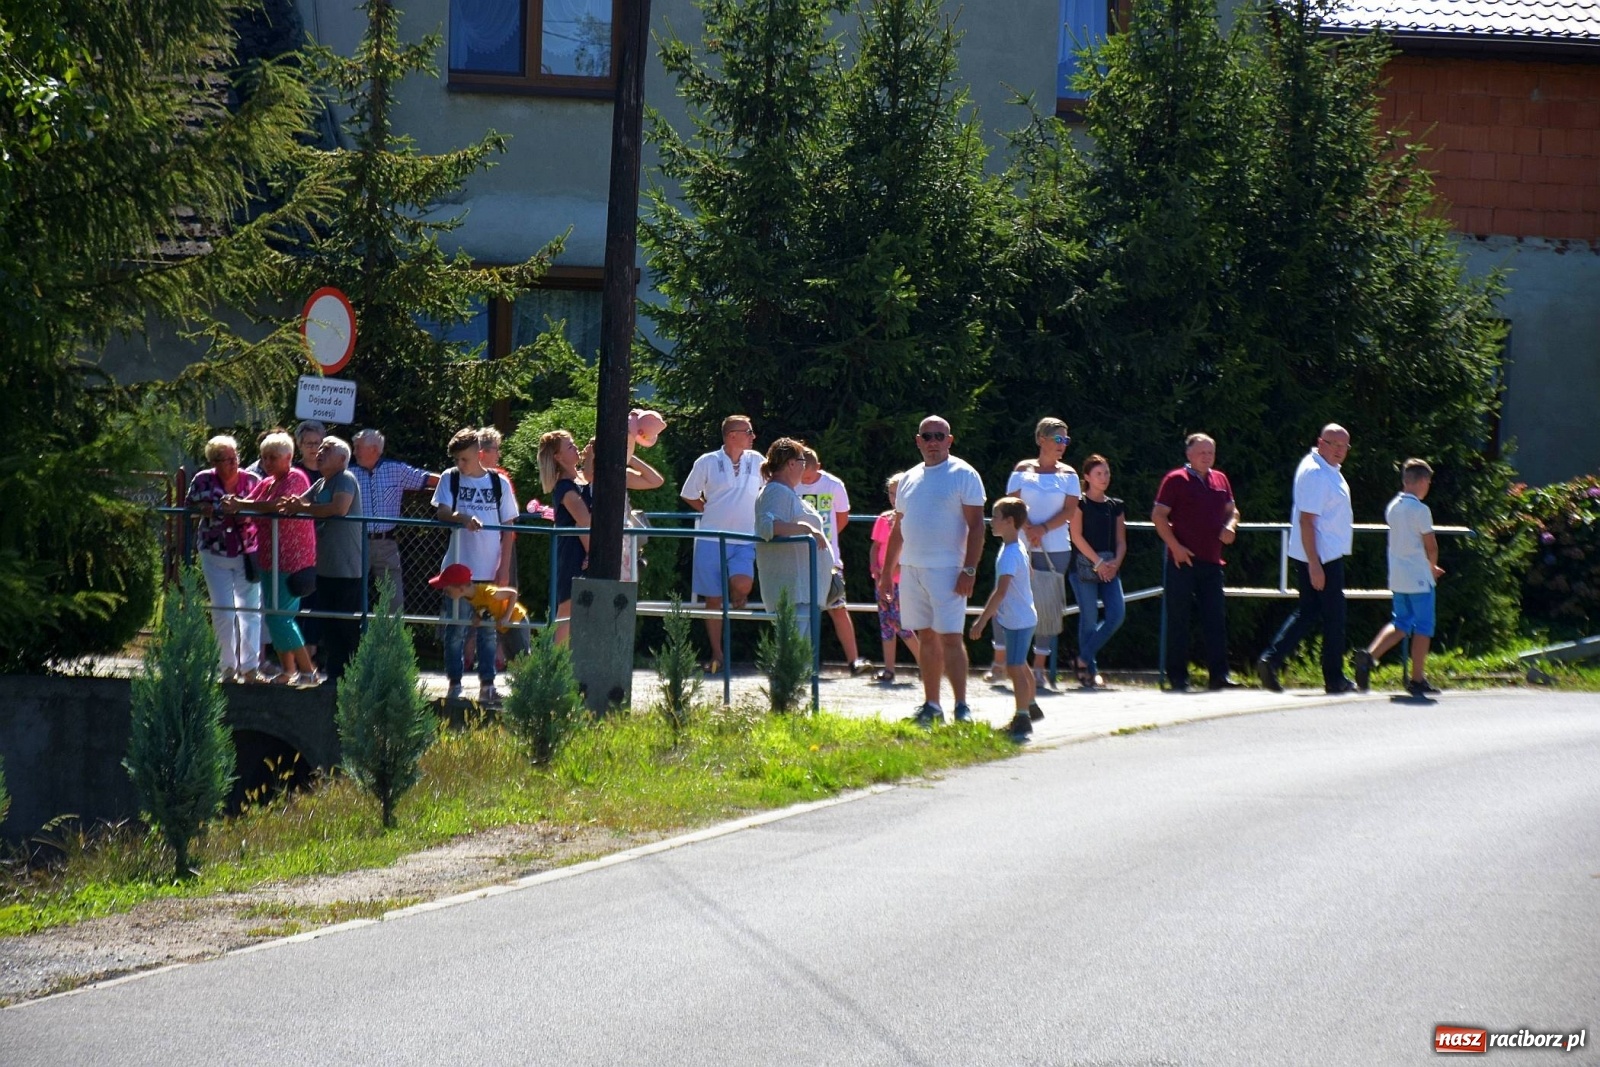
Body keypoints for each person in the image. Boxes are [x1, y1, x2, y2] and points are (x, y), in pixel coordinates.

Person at [875, 415, 986, 726]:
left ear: (950, 440)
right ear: (918, 441)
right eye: (927, 436)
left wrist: (969, 569)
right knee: (925, 637)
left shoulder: (964, 474)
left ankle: (962, 707)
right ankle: (932, 705)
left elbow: (977, 526)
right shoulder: (909, 478)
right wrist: (887, 574)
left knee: (951, 637)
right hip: (912, 569)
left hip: (949, 569)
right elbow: (898, 529)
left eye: (939, 436)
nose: (933, 442)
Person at [1258, 424, 1356, 694]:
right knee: (1334, 616)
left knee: (1309, 611)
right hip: (1322, 556)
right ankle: (1334, 678)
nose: (1339, 451)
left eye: (1344, 446)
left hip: (1318, 553)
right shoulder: (1316, 473)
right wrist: (1315, 564)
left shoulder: (1324, 468)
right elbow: (1307, 521)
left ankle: (1271, 660)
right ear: (1321, 443)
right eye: (1334, 444)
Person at [221, 432, 319, 686]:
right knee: (274, 615)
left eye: (273, 457)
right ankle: (289, 670)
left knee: (280, 616)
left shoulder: (296, 478)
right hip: (268, 558)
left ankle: (308, 671)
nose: (267, 462)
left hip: (291, 560)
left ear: (288, 457)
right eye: (264, 457)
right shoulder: (267, 482)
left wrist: (241, 504)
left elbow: (277, 505)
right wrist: (235, 503)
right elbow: (251, 503)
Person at [432, 428, 518, 702]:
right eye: (457, 459)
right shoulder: (450, 477)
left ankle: (487, 685)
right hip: (457, 570)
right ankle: (455, 683)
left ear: (479, 454)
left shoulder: (498, 482)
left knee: (488, 631)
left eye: (465, 459)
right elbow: (442, 511)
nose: (460, 464)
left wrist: (504, 568)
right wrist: (463, 518)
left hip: (489, 570)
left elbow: (509, 527)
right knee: (456, 629)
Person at [1152, 433, 1241, 691]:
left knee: (1215, 619)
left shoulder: (1220, 479)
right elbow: (1158, 515)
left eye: (1210, 452)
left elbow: (1232, 511)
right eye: (1202, 452)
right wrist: (1175, 547)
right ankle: (1178, 677)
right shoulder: (1175, 479)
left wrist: (1231, 526)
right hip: (1183, 560)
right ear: (1189, 454)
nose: (1206, 457)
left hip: (1212, 561)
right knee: (1179, 620)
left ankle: (1219, 676)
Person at [679, 415, 764, 671]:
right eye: (748, 432)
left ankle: (735, 593)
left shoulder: (757, 460)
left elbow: (770, 490)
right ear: (732, 435)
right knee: (713, 599)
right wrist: (710, 510)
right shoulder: (707, 461)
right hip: (710, 539)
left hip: (745, 538)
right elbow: (688, 494)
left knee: (743, 585)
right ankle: (717, 654)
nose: (753, 436)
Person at [1354, 459, 1445, 698]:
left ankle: (1369, 656)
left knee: (1400, 623)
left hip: (1397, 576)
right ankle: (1417, 679)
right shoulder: (1421, 510)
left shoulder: (1393, 506)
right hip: (1418, 577)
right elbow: (1431, 545)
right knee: (1423, 627)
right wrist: (1432, 568)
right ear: (1423, 481)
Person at [1004, 417, 1080, 687]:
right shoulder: (1022, 469)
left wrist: (1043, 529)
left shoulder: (1069, 474)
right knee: (1012, 600)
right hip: (1020, 546)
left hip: (1056, 547)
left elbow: (1070, 509)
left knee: (1047, 608)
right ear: (1041, 439)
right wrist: (1028, 528)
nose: (1062, 445)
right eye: (1057, 439)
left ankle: (1039, 668)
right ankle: (1009, 663)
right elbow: (1010, 504)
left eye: (1066, 440)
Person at [281, 436, 363, 682]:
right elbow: (299, 502)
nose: (320, 452)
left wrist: (301, 508)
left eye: (327, 449)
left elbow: (339, 508)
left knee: (346, 626)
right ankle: (335, 675)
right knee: (329, 624)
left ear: (342, 458)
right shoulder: (320, 483)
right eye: (320, 448)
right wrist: (288, 503)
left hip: (347, 569)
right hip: (324, 569)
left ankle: (354, 676)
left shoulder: (345, 478)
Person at [187, 435, 263, 682]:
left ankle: (250, 668)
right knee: (224, 611)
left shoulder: (252, 480)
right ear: (214, 462)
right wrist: (202, 509)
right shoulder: (203, 480)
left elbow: (264, 510)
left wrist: (244, 511)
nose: (233, 462)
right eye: (226, 459)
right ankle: (227, 667)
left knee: (250, 611)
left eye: (235, 457)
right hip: (214, 551)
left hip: (247, 552)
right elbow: (189, 506)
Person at [970, 497, 1041, 740]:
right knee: (1020, 664)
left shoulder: (1011, 552)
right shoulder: (1015, 546)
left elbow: (1000, 592)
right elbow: (1028, 573)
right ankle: (1031, 706)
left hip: (1019, 620)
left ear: (1010, 521)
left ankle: (1022, 718)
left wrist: (982, 621)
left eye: (996, 517)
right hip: (1019, 618)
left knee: (1014, 667)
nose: (991, 521)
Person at [350, 428, 439, 615]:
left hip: (386, 544)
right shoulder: (349, 473)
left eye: (358, 447)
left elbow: (428, 479)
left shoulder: (396, 470)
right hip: (356, 542)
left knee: (393, 599)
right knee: (351, 594)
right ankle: (352, 632)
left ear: (374, 449)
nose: (354, 452)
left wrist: (460, 481)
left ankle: (393, 632)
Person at [799, 448, 870, 672]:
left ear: (818, 467)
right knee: (801, 609)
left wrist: (825, 540)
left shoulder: (833, 485)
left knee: (838, 607)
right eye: (802, 477)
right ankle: (800, 662)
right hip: (798, 558)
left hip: (830, 559)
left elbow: (842, 518)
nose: (805, 481)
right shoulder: (791, 484)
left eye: (808, 477)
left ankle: (854, 661)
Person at [753, 439, 832, 641]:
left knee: (800, 651)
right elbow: (767, 527)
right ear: (791, 463)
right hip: (793, 592)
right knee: (792, 650)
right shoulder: (775, 491)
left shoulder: (785, 492)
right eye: (802, 461)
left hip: (803, 592)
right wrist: (806, 529)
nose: (805, 466)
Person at [1068, 455, 1127, 689]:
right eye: (1098, 474)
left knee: (1116, 614)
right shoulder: (1079, 503)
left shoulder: (1116, 505)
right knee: (1089, 618)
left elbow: (1121, 540)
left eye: (1106, 473)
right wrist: (1098, 562)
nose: (1104, 478)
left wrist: (1116, 562)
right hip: (1084, 566)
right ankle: (1090, 670)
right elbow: (1076, 536)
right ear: (1087, 477)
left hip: (1110, 566)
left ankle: (1082, 659)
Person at [538, 430, 593, 646]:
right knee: (567, 607)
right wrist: (590, 552)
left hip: (588, 548)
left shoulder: (582, 478)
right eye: (570, 446)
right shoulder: (564, 487)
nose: (576, 447)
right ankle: (556, 658)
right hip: (572, 552)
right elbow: (584, 520)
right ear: (558, 457)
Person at [869, 472, 920, 683]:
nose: (894, 498)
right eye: (891, 493)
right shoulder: (883, 519)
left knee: (903, 625)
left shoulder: (913, 520)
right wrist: (875, 568)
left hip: (902, 582)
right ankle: (889, 669)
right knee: (886, 626)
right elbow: (876, 546)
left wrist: (892, 571)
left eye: (898, 493)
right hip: (883, 581)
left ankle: (925, 664)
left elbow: (911, 551)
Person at [428, 562, 532, 663]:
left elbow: (513, 593)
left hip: (516, 620)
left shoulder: (487, 592)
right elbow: (485, 607)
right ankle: (521, 675)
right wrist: (478, 616)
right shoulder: (470, 597)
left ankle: (534, 673)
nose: (445, 593)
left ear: (461, 589)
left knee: (523, 656)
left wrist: (506, 617)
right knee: (513, 659)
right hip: (503, 627)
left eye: (447, 590)